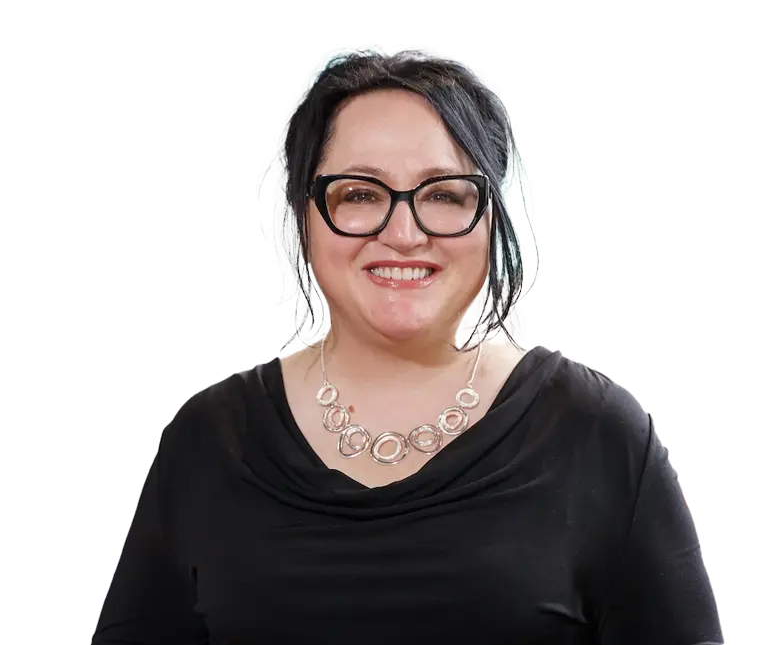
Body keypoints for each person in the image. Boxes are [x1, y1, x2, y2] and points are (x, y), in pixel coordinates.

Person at [91, 47, 725, 644]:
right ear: (304, 215)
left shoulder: (601, 434)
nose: (403, 233)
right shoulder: (207, 440)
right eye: (360, 194)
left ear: (490, 216)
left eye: (443, 195)